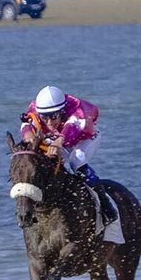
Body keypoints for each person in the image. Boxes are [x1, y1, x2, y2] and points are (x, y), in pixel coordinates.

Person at [19, 84, 119, 238]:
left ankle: (106, 204)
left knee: (76, 160)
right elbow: (26, 125)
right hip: (57, 139)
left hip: (83, 139)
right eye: (45, 117)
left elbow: (68, 131)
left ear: (63, 111)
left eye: (54, 116)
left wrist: (57, 143)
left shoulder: (76, 111)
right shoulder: (36, 112)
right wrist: (30, 138)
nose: (49, 122)